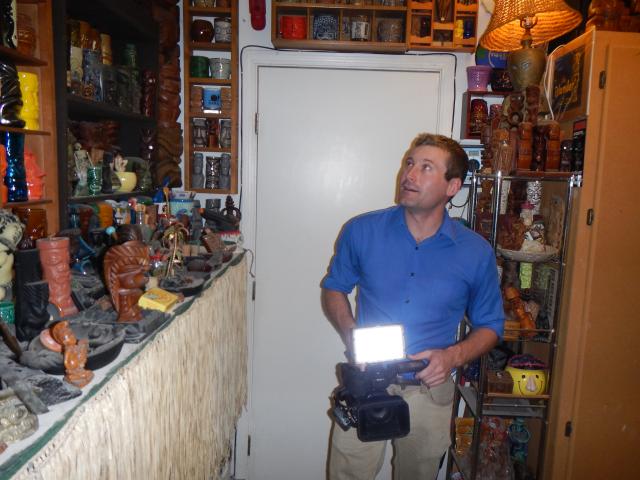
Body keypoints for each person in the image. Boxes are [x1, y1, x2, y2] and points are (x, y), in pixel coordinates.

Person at [321, 133, 504, 480]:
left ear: (452, 187)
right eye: (409, 163)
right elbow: (334, 288)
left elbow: (491, 325)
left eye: (426, 167)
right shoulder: (361, 231)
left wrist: (453, 357)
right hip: (366, 383)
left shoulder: (475, 252)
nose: (409, 174)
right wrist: (352, 336)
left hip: (429, 391)